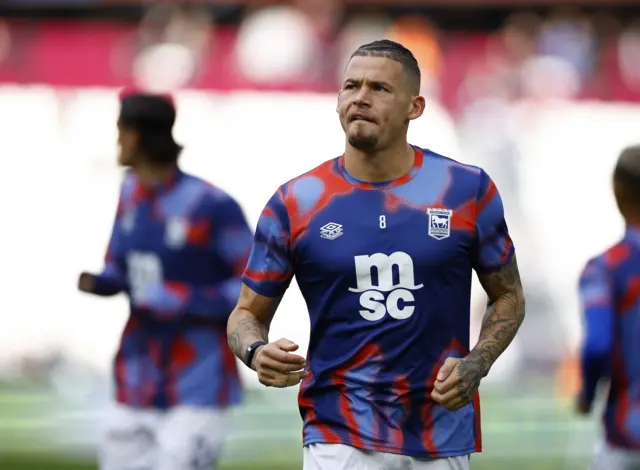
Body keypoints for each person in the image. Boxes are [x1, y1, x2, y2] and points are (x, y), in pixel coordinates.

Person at [226, 39, 526, 470]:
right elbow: (245, 314)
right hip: (339, 431)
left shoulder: (466, 190)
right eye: (351, 86)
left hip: (439, 431)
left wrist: (478, 362)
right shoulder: (296, 202)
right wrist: (256, 352)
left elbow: (509, 295)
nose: (361, 97)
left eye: (380, 89)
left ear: (415, 106)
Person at [78, 90, 253, 470]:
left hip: (197, 382)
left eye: (121, 131)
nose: (117, 142)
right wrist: (102, 282)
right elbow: (119, 266)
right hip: (135, 379)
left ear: (137, 134)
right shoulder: (129, 192)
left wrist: (183, 299)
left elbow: (255, 287)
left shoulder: (211, 205)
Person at [576, 145, 640, 470]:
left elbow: (598, 344)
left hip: (628, 435)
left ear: (617, 191)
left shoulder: (605, 268)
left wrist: (587, 394)